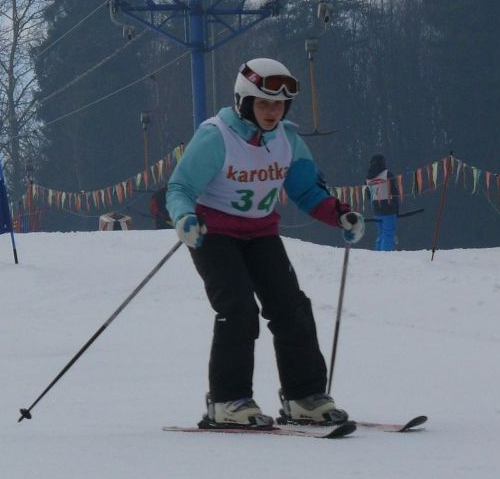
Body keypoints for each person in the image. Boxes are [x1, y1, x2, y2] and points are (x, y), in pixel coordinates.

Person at [166, 58, 364, 429]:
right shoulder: (216, 136)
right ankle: (228, 400)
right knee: (238, 310)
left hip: (261, 234)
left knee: (291, 308)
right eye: (264, 103)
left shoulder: (287, 139)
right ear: (244, 102)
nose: (273, 112)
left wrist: (339, 214)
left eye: (279, 105)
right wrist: (183, 218)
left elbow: (306, 189)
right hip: (213, 235)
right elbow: (181, 187)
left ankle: (304, 396)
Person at [365, 153, 399, 251]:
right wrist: (396, 208)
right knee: (388, 234)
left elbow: (368, 195)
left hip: (376, 209)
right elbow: (394, 192)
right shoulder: (387, 174)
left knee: (380, 235)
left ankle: (378, 256)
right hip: (389, 208)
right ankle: (385, 258)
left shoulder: (368, 178)